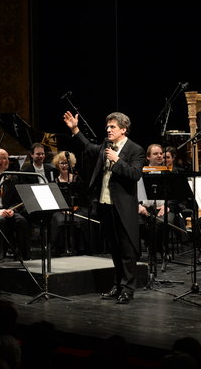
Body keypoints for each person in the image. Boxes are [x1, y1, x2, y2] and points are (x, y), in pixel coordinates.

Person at [63, 110, 145, 304]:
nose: (108, 130)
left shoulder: (135, 150)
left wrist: (117, 160)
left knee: (126, 249)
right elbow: (89, 148)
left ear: (124, 129)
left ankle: (128, 289)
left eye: (113, 127)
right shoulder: (106, 146)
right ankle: (117, 285)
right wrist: (75, 129)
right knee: (114, 248)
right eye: (107, 126)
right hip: (105, 204)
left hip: (123, 207)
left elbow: (135, 174)